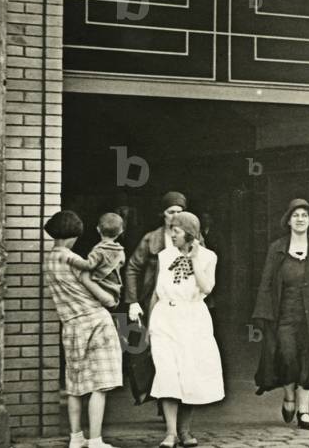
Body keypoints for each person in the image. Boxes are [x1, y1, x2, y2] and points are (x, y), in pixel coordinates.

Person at [251, 198, 309, 430]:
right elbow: (266, 283)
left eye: (304, 215)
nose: (300, 219)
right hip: (285, 316)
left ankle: (304, 411)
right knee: (288, 358)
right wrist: (263, 314)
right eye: (296, 215)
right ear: (289, 221)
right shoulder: (277, 248)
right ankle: (289, 397)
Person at [43, 210, 121, 448]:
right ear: (74, 234)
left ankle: (76, 438)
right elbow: (107, 300)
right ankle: (96, 440)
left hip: (71, 326)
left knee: (74, 386)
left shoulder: (49, 259)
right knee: (100, 384)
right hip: (95, 322)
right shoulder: (72, 260)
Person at [147, 211, 224, 448]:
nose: (172, 234)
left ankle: (185, 430)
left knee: (189, 374)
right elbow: (155, 291)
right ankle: (170, 433)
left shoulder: (209, 257)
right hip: (165, 317)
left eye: (177, 230)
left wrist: (193, 259)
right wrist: (150, 325)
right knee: (167, 373)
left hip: (193, 318)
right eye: (172, 229)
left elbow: (207, 287)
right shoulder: (163, 256)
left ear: (189, 232)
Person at [125, 191, 188, 326]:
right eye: (171, 212)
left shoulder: (194, 238)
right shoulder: (151, 238)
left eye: (179, 212)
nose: (176, 216)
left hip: (185, 299)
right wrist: (133, 301)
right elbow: (133, 267)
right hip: (157, 299)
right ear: (163, 214)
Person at [66, 212, 126, 307]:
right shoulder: (120, 251)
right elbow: (121, 263)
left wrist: (72, 261)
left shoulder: (99, 251)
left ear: (98, 229)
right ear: (121, 231)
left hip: (102, 287)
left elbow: (89, 265)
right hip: (114, 288)